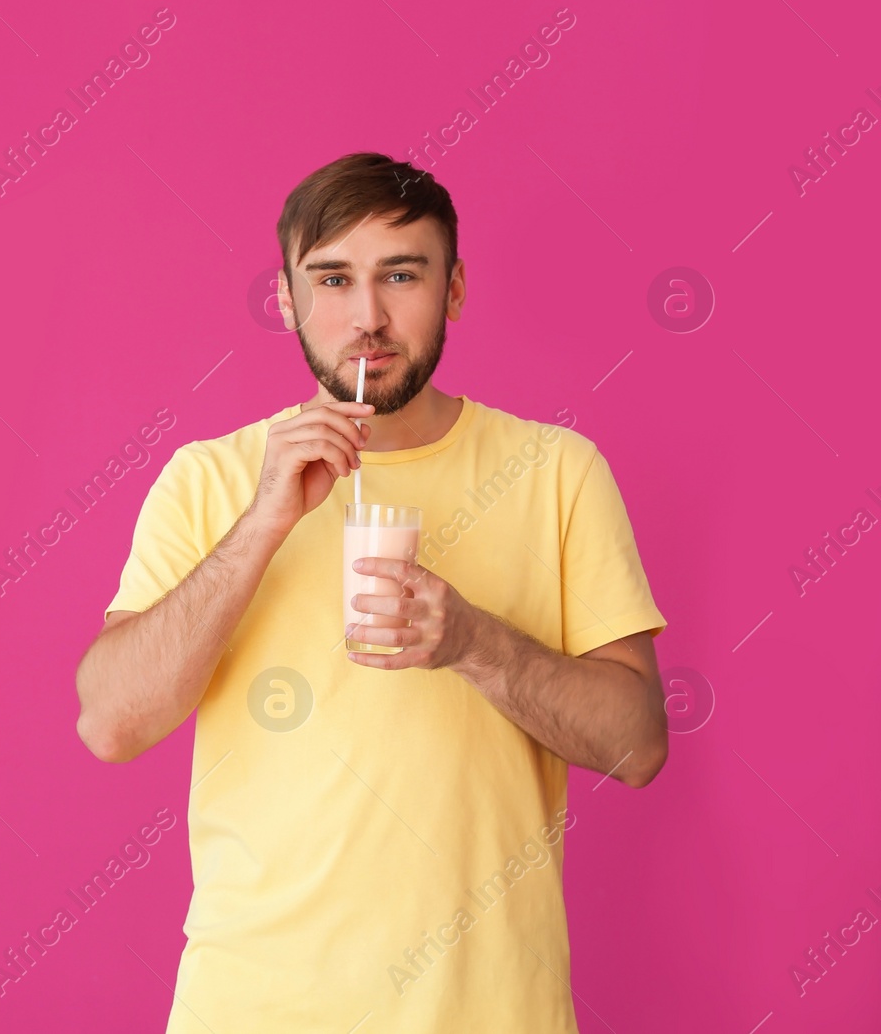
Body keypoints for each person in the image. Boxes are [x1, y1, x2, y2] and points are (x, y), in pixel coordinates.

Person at [74, 151, 669, 1032]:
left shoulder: (556, 473)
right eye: (332, 279)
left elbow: (640, 747)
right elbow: (110, 721)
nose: (369, 317)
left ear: (455, 288)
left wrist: (474, 641)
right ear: (286, 300)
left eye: (401, 273)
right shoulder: (208, 479)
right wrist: (264, 522)